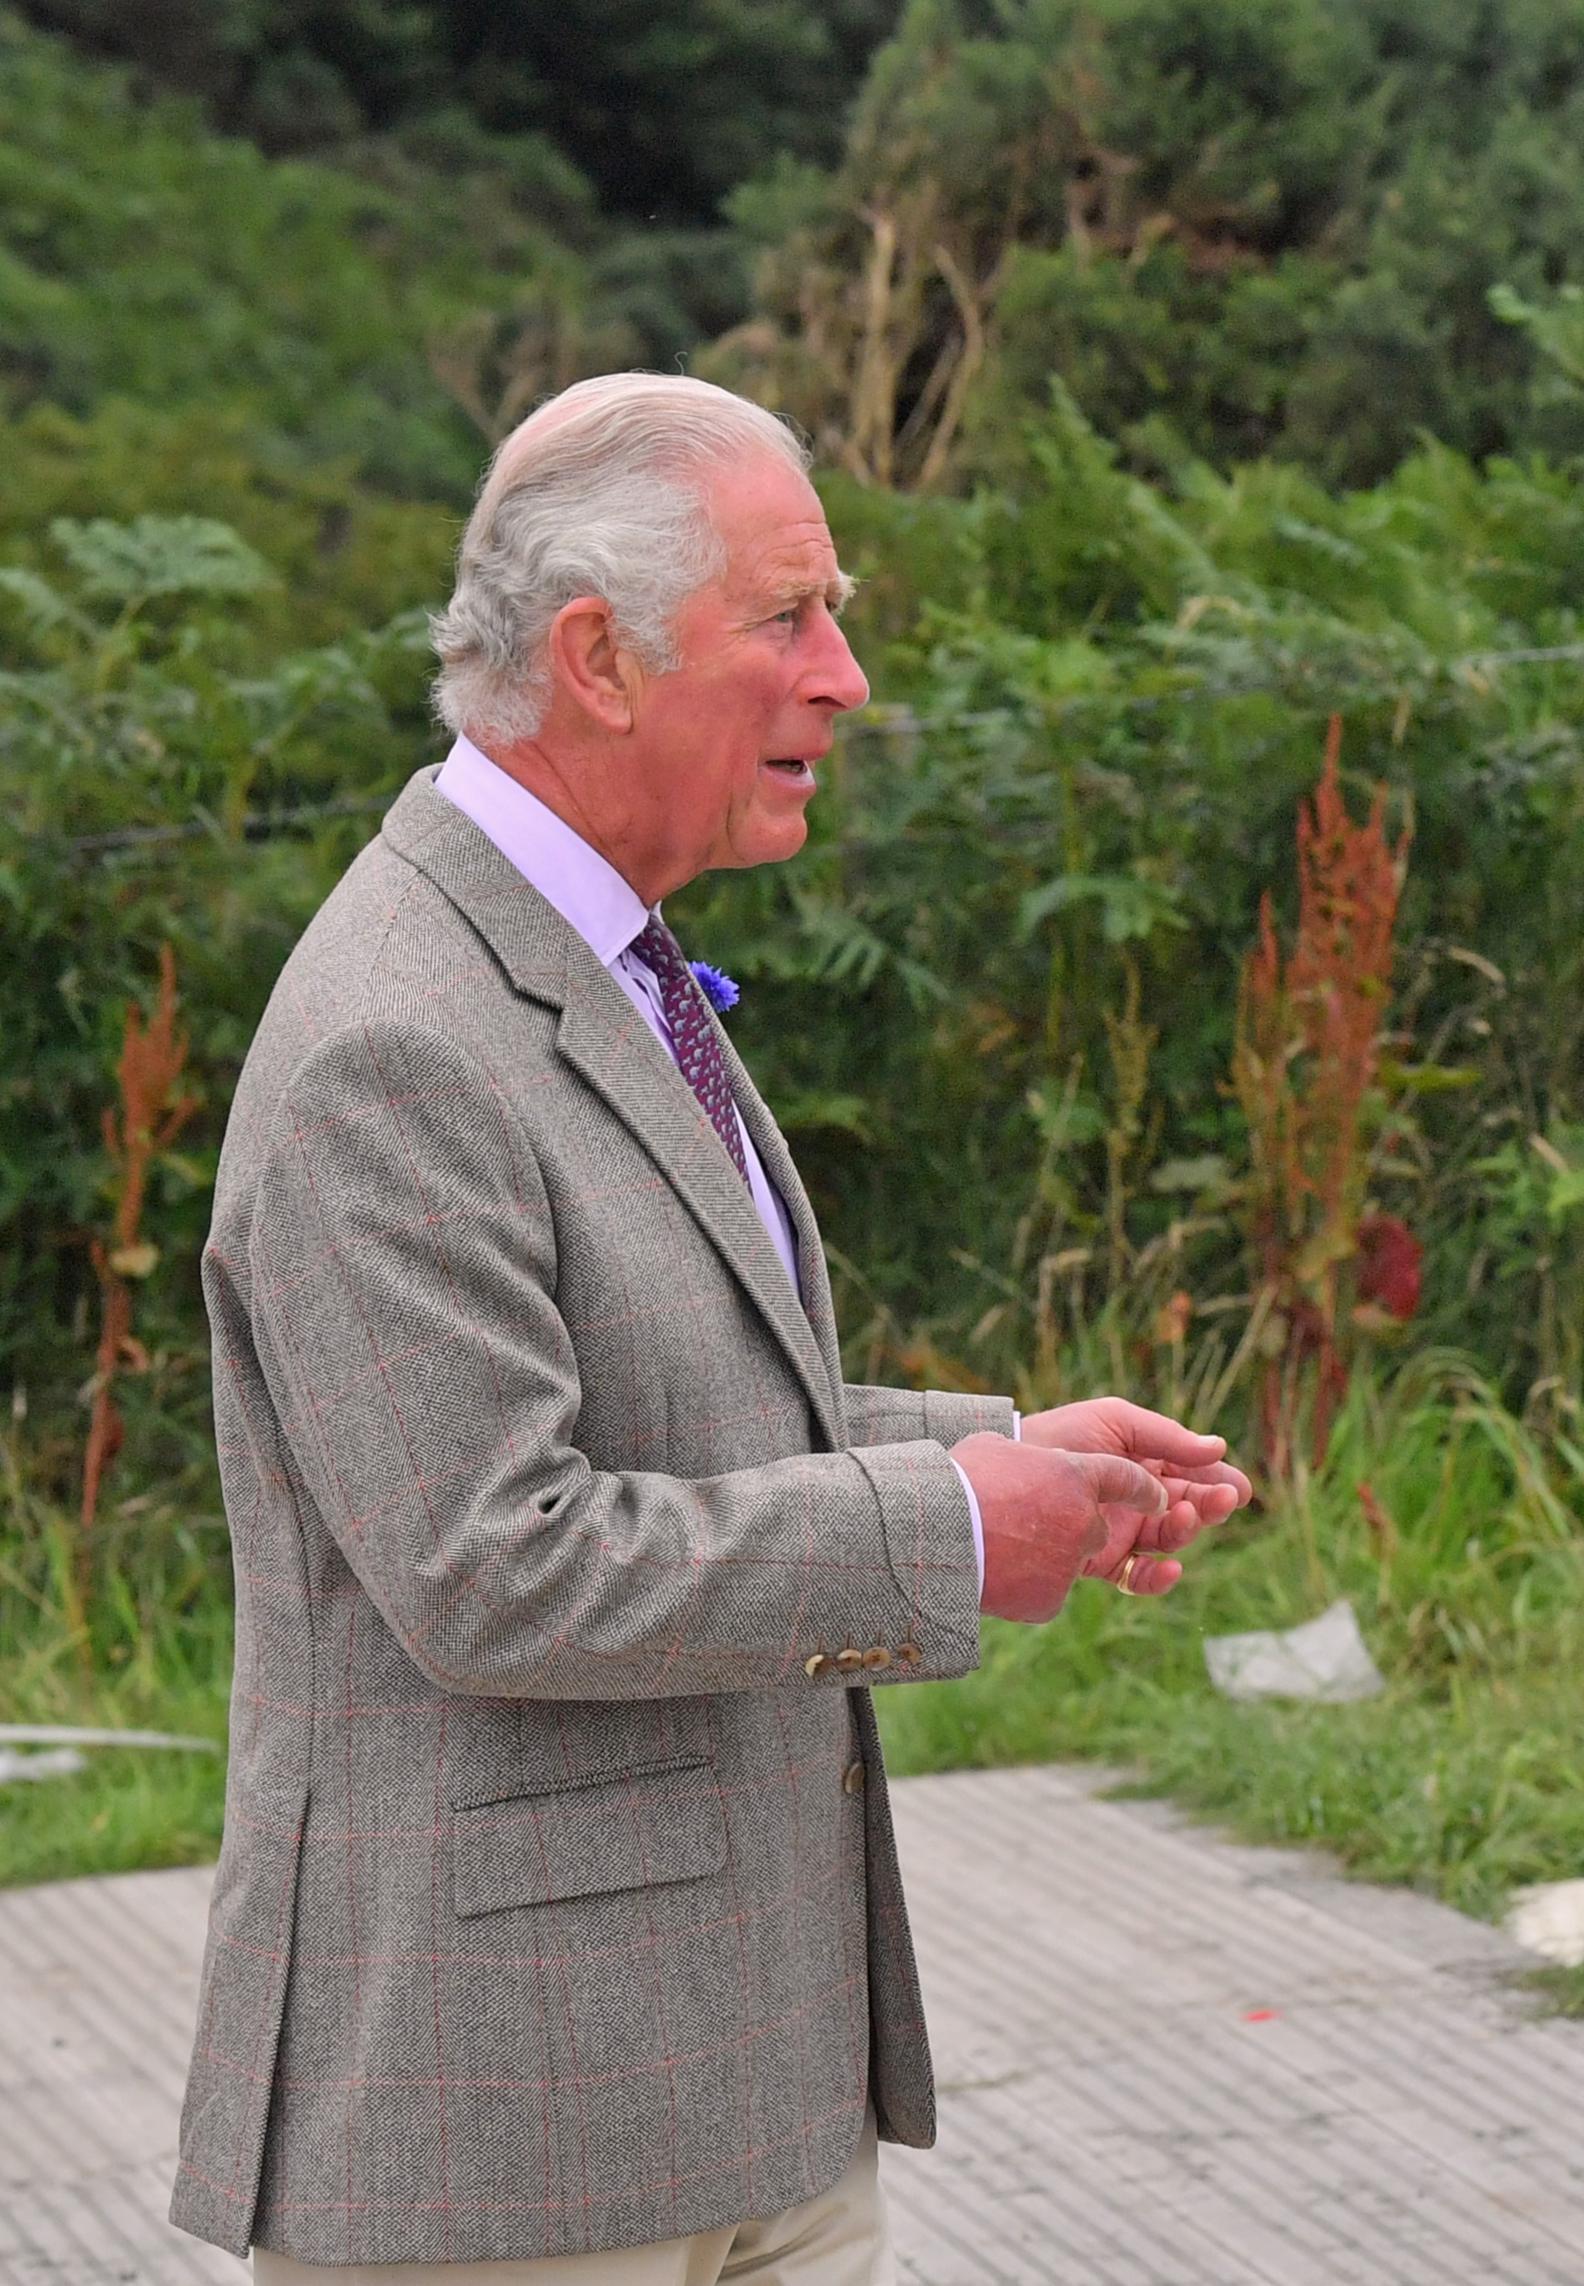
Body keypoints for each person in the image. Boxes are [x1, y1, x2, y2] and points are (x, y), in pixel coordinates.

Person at [172, 373, 1255, 2282]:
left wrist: (1003, 1461)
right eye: (789, 617)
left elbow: (686, 1408)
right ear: (596, 657)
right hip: (508, 2137)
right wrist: (950, 1535)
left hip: (737, 2084)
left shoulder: (597, 952)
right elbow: (497, 1565)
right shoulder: (395, 1039)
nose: (844, 676)